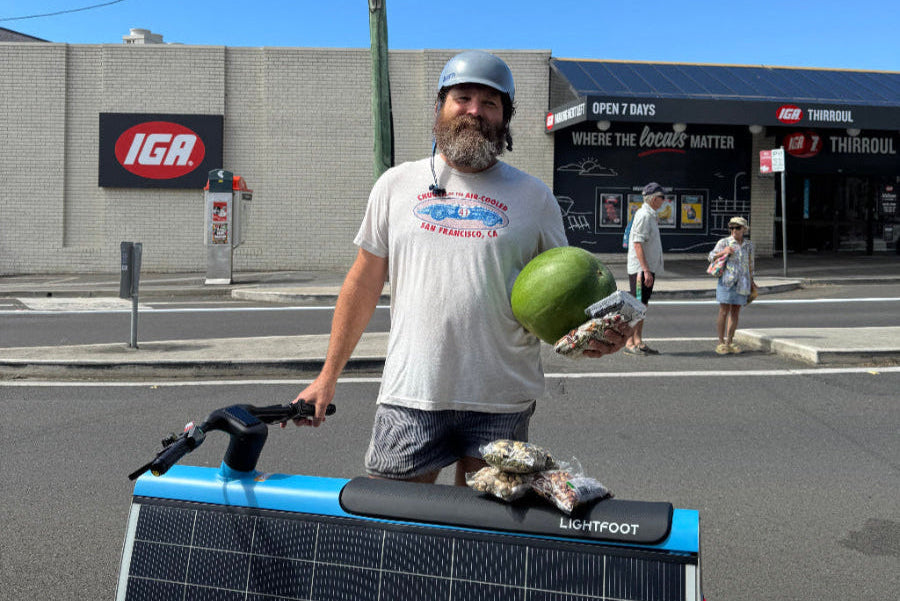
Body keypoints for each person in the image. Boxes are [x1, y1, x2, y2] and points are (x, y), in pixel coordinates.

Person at [286, 50, 631, 486]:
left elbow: (564, 289)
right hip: (412, 393)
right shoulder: (396, 185)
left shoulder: (535, 196)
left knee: (480, 539)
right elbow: (363, 283)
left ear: (505, 117)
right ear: (440, 107)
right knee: (398, 529)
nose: (474, 111)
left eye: (490, 103)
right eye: (462, 98)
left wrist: (593, 336)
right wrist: (326, 377)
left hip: (502, 400)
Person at [624, 182, 665, 355]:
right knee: (636, 305)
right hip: (641, 269)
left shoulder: (650, 215)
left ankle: (638, 340)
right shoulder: (644, 216)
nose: (664, 201)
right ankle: (629, 342)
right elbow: (637, 244)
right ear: (655, 198)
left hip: (646, 268)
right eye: (662, 198)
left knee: (642, 305)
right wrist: (645, 270)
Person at [709, 216, 756, 354]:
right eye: (732, 228)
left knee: (735, 312)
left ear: (744, 229)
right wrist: (723, 252)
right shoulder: (724, 242)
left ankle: (730, 341)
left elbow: (751, 264)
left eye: (737, 227)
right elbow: (710, 256)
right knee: (724, 311)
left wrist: (752, 281)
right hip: (727, 281)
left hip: (743, 282)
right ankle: (720, 342)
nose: (734, 230)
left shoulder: (749, 245)